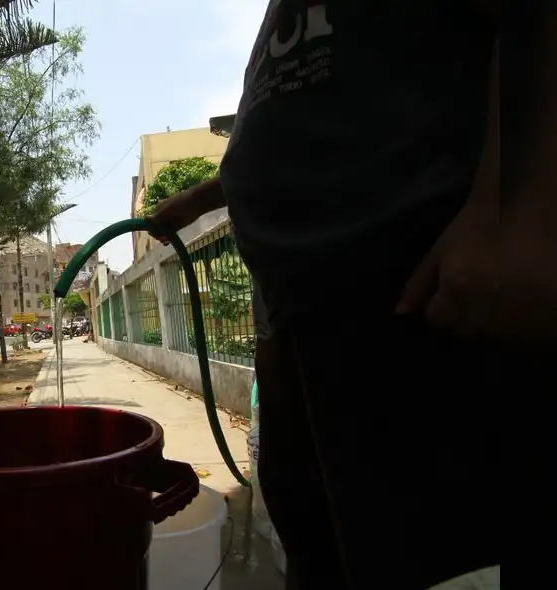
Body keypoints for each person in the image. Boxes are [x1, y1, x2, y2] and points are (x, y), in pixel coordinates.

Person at [149, 2, 553, 589]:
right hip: (301, 324)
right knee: (322, 548)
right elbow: (320, 116)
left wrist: (521, 220)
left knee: (428, 555)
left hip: (417, 302)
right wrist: (206, 196)